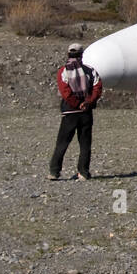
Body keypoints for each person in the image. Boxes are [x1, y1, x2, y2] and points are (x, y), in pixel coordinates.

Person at [50, 43, 103, 180]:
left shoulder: (63, 71)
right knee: (85, 143)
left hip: (70, 113)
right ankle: (83, 172)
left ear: (68, 54)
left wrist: (76, 104)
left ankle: (54, 172)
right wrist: (87, 102)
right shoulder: (90, 70)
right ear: (82, 55)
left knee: (62, 142)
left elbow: (65, 92)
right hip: (86, 112)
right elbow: (98, 87)